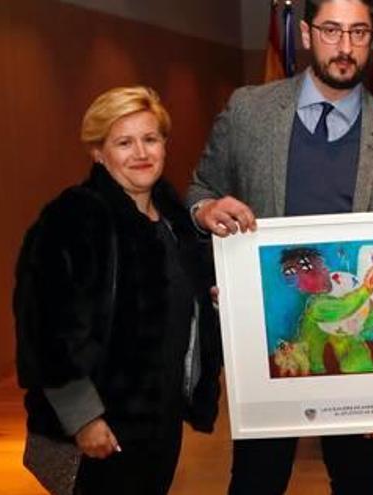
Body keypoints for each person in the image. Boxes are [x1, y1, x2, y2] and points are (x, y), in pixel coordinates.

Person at [186, 0, 373, 492]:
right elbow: (200, 189)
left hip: (354, 346)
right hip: (265, 338)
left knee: (358, 479)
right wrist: (204, 212)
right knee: (256, 479)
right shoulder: (248, 111)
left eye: (358, 32)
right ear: (307, 34)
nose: (345, 46)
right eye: (332, 30)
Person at [14, 86, 222, 494]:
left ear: (165, 144)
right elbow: (45, 329)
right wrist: (83, 418)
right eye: (123, 142)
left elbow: (180, 306)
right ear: (97, 151)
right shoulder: (74, 218)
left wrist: (210, 302)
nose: (141, 153)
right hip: (104, 425)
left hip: (160, 418)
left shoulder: (174, 221)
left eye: (151, 138)